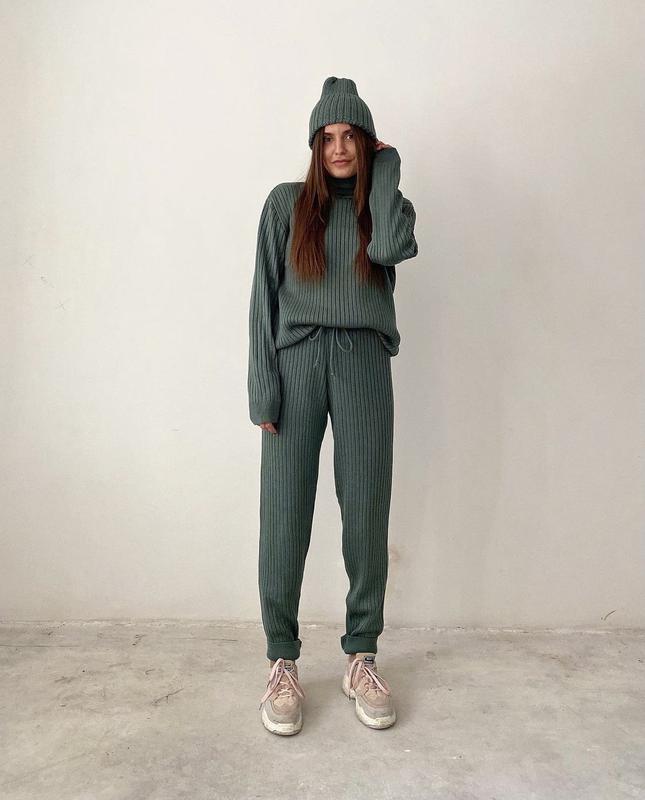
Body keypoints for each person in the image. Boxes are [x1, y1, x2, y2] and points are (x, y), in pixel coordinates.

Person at [247, 76, 419, 735]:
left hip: (364, 364)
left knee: (366, 509)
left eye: (351, 136)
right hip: (295, 364)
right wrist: (263, 387)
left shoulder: (386, 208)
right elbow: (262, 298)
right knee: (284, 512)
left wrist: (388, 166)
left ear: (366, 144)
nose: (339, 148)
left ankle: (361, 656)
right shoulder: (285, 205)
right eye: (328, 137)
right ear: (315, 146)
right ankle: (281, 660)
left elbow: (388, 251)